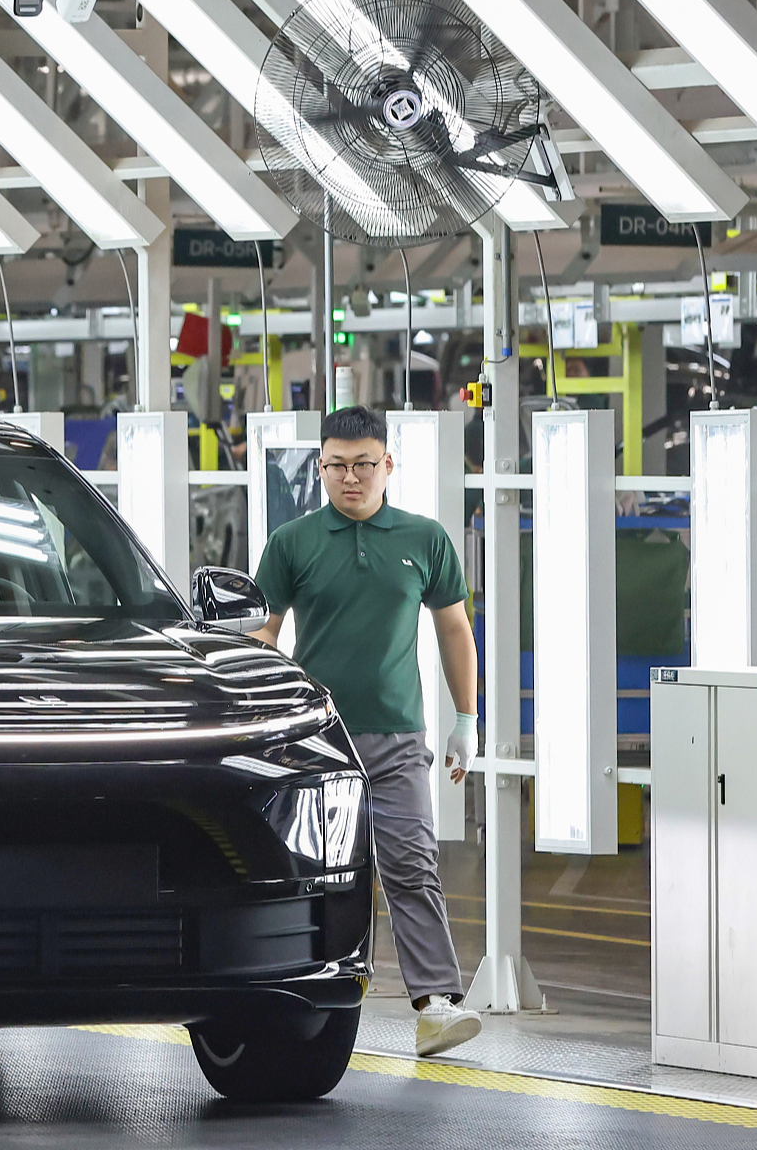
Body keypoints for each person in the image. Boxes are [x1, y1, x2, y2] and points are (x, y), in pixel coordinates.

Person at [248, 404, 484, 1058]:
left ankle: (436, 1003)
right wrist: (268, 717)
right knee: (312, 874)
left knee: (412, 863)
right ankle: (294, 995)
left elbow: (454, 629)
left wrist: (467, 717)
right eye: (336, 466)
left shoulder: (424, 539)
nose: (350, 478)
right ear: (320, 467)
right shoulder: (291, 543)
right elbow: (265, 634)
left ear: (388, 465)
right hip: (317, 743)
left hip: (398, 738)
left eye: (363, 465)